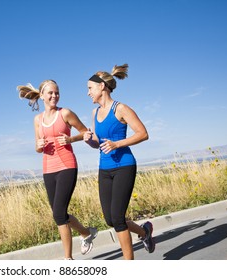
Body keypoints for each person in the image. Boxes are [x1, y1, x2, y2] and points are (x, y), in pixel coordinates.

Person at [18, 79, 98, 260]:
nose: (54, 96)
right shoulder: (37, 119)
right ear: (42, 96)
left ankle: (68, 259)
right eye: (51, 93)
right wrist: (38, 145)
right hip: (48, 168)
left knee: (59, 214)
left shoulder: (66, 113)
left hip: (67, 165)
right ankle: (86, 233)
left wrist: (71, 139)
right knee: (58, 213)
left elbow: (86, 133)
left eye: (57, 93)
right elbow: (38, 148)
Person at [83, 64, 155, 260]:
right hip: (104, 168)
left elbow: (143, 134)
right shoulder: (94, 113)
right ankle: (144, 232)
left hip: (124, 165)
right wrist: (90, 140)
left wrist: (117, 144)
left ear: (102, 87)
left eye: (90, 88)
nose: (88, 92)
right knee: (110, 219)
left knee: (117, 218)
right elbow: (98, 143)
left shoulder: (121, 108)